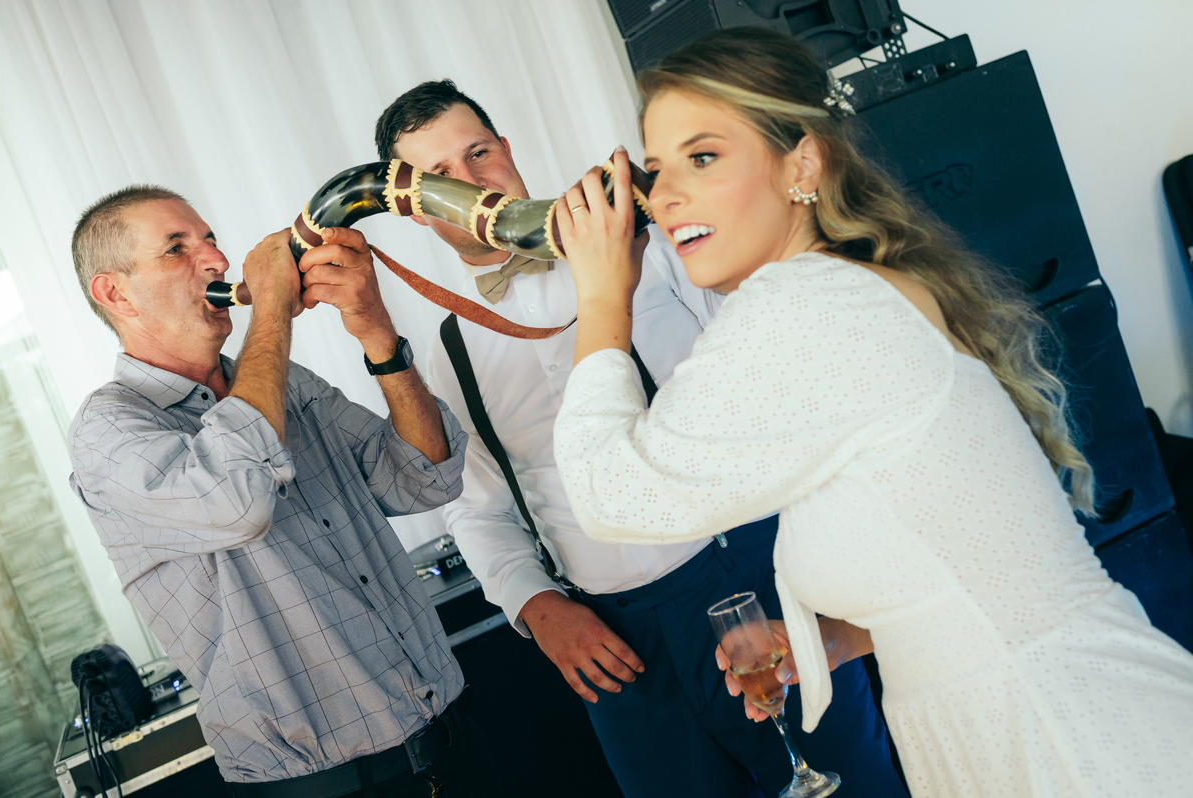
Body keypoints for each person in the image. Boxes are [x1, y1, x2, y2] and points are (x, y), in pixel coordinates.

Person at [550, 27, 1193, 798]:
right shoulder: (846, 289)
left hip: (1064, 738)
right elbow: (963, 560)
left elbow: (611, 495)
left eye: (705, 156)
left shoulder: (802, 307)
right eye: (656, 171)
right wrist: (824, 642)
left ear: (804, 163)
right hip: (1027, 719)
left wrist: (597, 294)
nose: (665, 195)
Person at [373, 81, 908, 798]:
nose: (473, 183)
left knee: (851, 788)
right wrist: (538, 607)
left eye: (480, 154)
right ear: (417, 209)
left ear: (508, 151)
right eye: (444, 178)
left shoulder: (653, 247)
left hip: (746, 579)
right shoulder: (443, 353)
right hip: (612, 641)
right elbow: (476, 508)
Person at [65, 185, 502, 797]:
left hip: (452, 733)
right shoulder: (107, 431)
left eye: (210, 239)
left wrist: (375, 331)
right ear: (115, 293)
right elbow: (238, 501)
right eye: (176, 249)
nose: (216, 260)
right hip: (323, 785)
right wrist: (270, 308)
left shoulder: (283, 381)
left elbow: (425, 479)